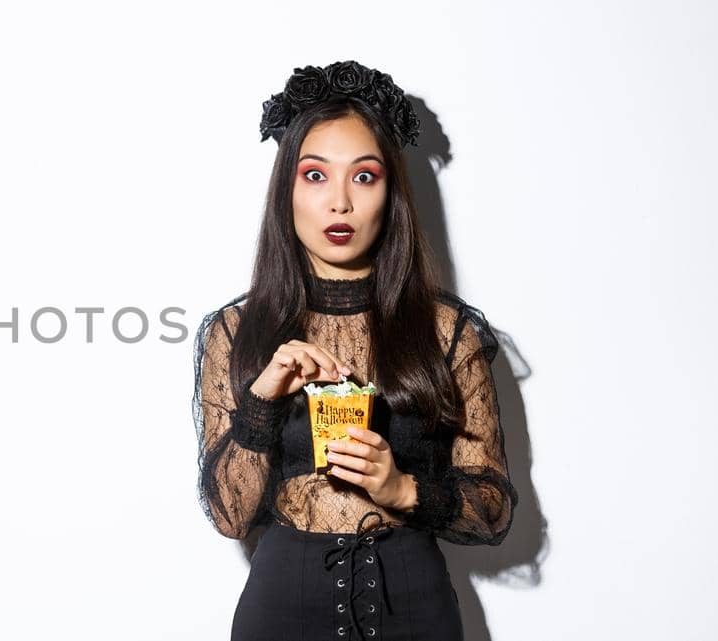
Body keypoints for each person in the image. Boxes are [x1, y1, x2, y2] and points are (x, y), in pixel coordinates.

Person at [192, 61, 518, 641]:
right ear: (286, 190)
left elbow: (493, 509)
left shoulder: (446, 331)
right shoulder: (238, 331)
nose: (339, 202)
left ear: (390, 192)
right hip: (280, 612)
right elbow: (229, 514)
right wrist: (262, 402)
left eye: (363, 176)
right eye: (315, 176)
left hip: (416, 610)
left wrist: (404, 490)